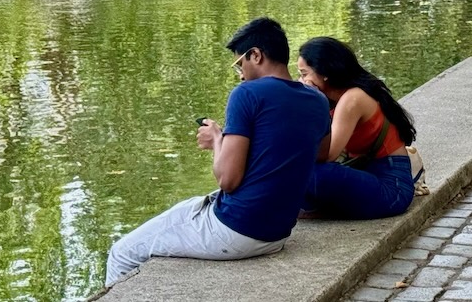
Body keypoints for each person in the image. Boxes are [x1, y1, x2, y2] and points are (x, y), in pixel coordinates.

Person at [105, 18, 330, 286]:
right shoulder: (317, 99)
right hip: (278, 232)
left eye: (239, 64)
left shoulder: (246, 94)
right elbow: (322, 154)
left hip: (237, 231)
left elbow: (228, 180)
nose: (240, 73)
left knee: (122, 253)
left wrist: (217, 140)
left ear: (255, 55)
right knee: (187, 207)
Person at [296, 37, 418, 219]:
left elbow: (328, 155)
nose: (301, 80)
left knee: (310, 175)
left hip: (393, 189)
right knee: (292, 174)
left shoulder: (352, 99)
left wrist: (312, 102)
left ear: (324, 72)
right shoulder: (335, 100)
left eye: (304, 73)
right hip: (365, 176)